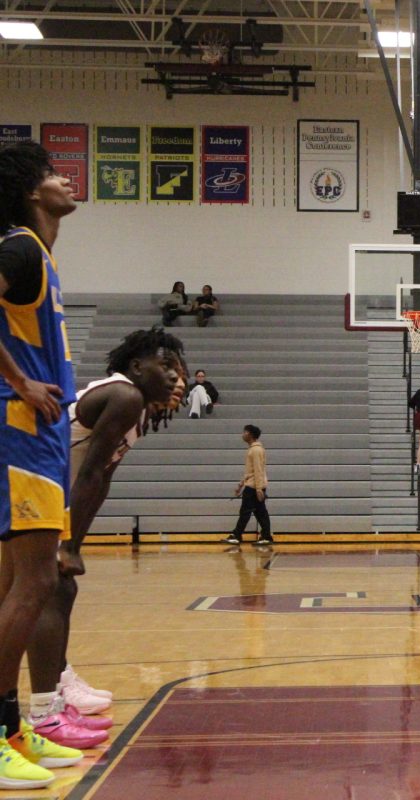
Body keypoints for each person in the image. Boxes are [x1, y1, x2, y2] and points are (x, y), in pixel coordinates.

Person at [26, 329, 183, 749]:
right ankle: (45, 710)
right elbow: (90, 471)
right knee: (50, 589)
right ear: (136, 367)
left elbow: (100, 479)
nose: (175, 377)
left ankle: (55, 689)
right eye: (166, 366)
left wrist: (74, 540)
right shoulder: (125, 396)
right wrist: (68, 544)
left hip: (48, 490)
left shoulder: (138, 410)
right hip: (28, 485)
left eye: (178, 369)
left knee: (59, 588)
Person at [0, 141, 87, 789]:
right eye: (55, 173)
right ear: (33, 190)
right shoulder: (19, 248)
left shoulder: (39, 253)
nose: (66, 180)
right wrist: (21, 384)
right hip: (19, 432)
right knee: (33, 586)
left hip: (39, 438)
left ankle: (12, 729)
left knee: (18, 587)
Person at [222, 425, 271, 546]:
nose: (242, 434)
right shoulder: (253, 449)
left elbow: (258, 470)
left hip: (254, 487)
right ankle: (266, 536)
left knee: (245, 511)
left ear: (250, 435)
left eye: (245, 432)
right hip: (253, 485)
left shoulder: (256, 450)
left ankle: (237, 535)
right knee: (260, 512)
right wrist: (240, 485)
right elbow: (250, 471)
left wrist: (259, 489)